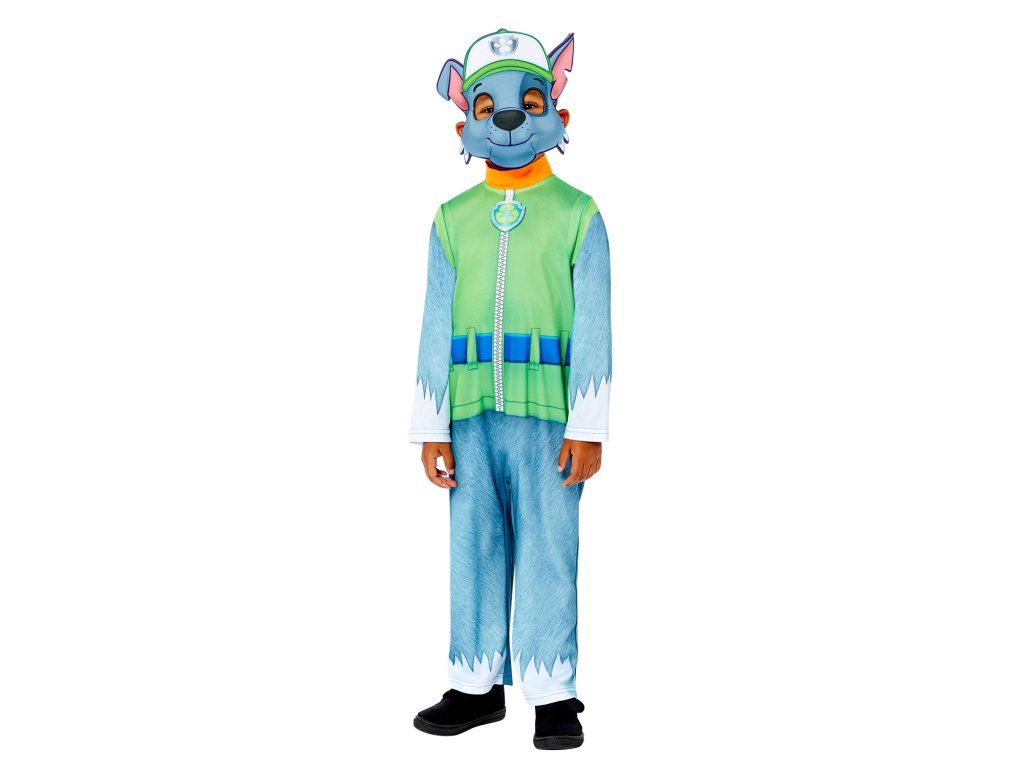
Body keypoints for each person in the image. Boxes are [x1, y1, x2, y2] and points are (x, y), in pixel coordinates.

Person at [409, 29, 611, 750]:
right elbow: (435, 322)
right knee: (473, 544)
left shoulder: (578, 214)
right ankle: (475, 683)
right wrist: (430, 427)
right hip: (470, 417)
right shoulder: (451, 220)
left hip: (551, 417)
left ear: (557, 111)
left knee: (552, 545)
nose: (507, 119)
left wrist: (588, 423)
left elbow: (595, 323)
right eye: (488, 106)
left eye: (527, 103)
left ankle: (553, 690)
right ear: (464, 122)